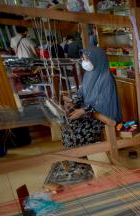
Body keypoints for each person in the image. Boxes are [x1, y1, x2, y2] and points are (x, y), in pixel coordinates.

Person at [44, 47, 122, 188]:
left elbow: (103, 103)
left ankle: (81, 156)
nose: (84, 61)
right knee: (68, 123)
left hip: (101, 116)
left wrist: (82, 111)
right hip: (88, 112)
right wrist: (73, 101)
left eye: (86, 59)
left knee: (76, 128)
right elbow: (82, 92)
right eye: (84, 59)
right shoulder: (88, 75)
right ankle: (78, 157)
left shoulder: (106, 78)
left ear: (96, 60)